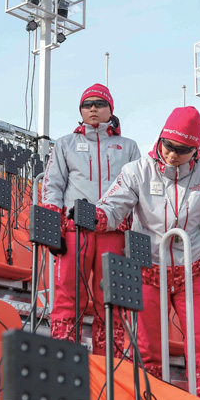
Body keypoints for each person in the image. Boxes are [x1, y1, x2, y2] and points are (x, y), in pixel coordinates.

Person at [95, 106, 200, 400]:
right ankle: (150, 397)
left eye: (182, 149)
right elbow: (113, 204)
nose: (172, 154)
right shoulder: (137, 170)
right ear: (160, 138)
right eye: (168, 145)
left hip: (192, 270)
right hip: (149, 268)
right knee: (147, 346)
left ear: (196, 150)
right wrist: (96, 216)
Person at [42, 83, 141, 357]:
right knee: (67, 297)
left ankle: (109, 367)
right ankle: (63, 359)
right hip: (76, 229)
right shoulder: (65, 144)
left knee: (111, 300)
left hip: (115, 231)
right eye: (87, 104)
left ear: (111, 109)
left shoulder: (129, 147)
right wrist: (53, 229)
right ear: (81, 111)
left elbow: (138, 194)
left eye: (99, 103)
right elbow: (52, 185)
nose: (93, 108)